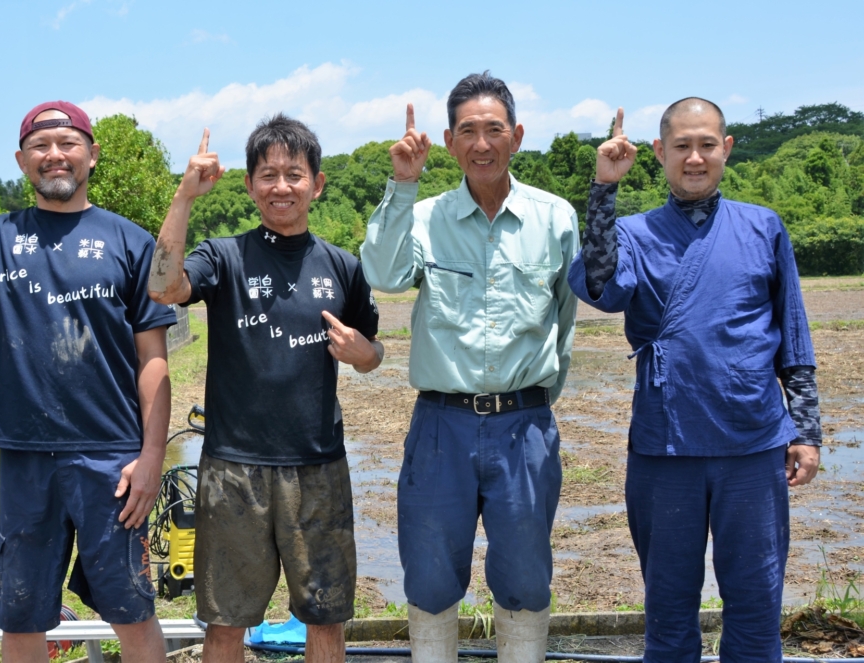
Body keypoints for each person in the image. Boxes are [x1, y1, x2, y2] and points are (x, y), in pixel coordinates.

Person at [0, 63, 175, 663]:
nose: (55, 155)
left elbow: (152, 360)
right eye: (40, 146)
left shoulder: (131, 242)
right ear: (22, 161)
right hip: (26, 457)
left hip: (114, 459)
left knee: (133, 612)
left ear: (91, 155)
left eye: (67, 143)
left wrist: (153, 457)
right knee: (22, 618)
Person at [567, 100, 821, 663]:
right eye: (681, 146)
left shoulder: (763, 226)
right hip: (666, 443)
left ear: (726, 148)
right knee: (669, 612)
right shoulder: (633, 232)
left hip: (752, 443)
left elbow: (793, 333)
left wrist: (805, 429)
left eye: (707, 144)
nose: (695, 157)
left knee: (756, 609)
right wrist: (603, 189)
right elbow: (601, 284)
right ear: (659, 154)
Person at [360, 72, 579, 663]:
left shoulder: (555, 217)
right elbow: (381, 275)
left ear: (517, 137)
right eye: (468, 132)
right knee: (430, 577)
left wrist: (534, 401)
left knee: (525, 578)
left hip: (525, 426)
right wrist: (402, 184)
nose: (482, 143)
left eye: (494, 130)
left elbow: (564, 316)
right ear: (451, 144)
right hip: (441, 425)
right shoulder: (424, 215)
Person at [147, 114, 383, 663]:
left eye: (294, 174)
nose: (282, 186)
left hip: (318, 467)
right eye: (268, 174)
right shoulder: (224, 257)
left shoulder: (343, 267)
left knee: (326, 618)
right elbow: (162, 287)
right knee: (225, 623)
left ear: (317, 184)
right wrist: (184, 196)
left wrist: (361, 353)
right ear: (250, 185)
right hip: (233, 469)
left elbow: (373, 354)